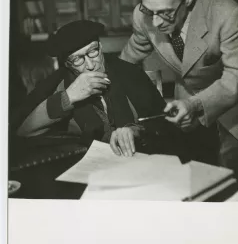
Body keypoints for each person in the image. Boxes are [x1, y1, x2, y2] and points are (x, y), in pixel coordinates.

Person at [120, 0, 238, 157]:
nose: (157, 22)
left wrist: (194, 104)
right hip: (184, 114)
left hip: (234, 114)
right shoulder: (144, 15)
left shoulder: (227, 14)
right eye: (150, 11)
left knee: (231, 173)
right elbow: (128, 58)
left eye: (166, 13)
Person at [13, 20, 168, 157]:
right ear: (67, 65)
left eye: (93, 51)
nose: (90, 65)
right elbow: (21, 132)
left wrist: (135, 131)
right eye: (78, 59)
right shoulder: (55, 83)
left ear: (100, 47)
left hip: (137, 157)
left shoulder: (129, 72)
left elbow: (164, 122)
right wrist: (69, 97)